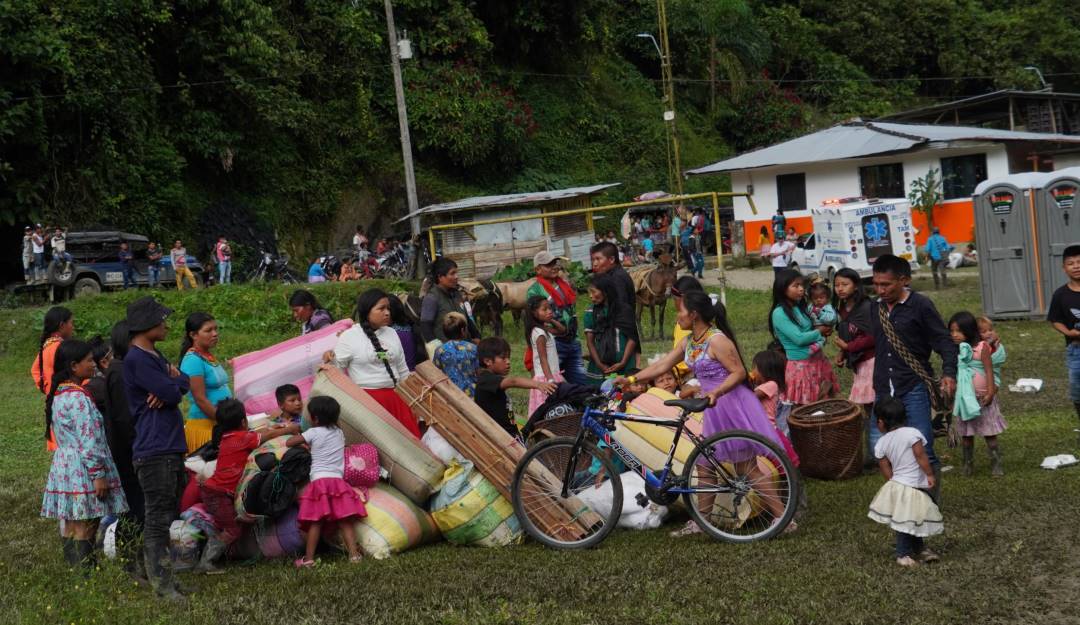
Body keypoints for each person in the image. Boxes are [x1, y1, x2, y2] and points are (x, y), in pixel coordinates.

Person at [615, 290, 791, 537]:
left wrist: (716, 392)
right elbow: (662, 365)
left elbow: (739, 372)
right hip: (712, 407)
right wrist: (632, 377)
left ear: (694, 314)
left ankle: (782, 518)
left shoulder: (717, 340)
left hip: (729, 405)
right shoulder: (689, 341)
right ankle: (702, 522)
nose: (678, 316)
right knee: (705, 466)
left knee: (746, 468)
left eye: (681, 311)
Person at [870, 254, 956, 499]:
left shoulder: (920, 305)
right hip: (884, 390)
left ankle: (929, 506)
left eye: (886, 284)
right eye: (876, 284)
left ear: (904, 280)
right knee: (882, 450)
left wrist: (949, 372)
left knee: (923, 449)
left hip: (913, 386)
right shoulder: (874, 307)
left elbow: (943, 341)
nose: (880, 289)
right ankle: (904, 501)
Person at [40, 339, 129, 573]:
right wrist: (98, 474)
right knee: (86, 523)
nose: (93, 364)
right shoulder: (79, 398)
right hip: (83, 467)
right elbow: (89, 439)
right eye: (89, 361)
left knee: (71, 521)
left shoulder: (60, 394)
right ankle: (86, 574)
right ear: (73, 366)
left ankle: (74, 573)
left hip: (66, 465)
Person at [123, 296, 190, 600]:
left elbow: (183, 382)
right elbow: (172, 390)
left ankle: (159, 575)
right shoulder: (137, 359)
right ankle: (161, 584)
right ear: (147, 324)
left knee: (168, 512)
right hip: (155, 449)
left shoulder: (156, 356)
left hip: (169, 445)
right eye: (161, 319)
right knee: (158, 518)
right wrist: (170, 385)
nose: (166, 324)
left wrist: (173, 383)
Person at [196, 399, 297, 573]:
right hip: (218, 494)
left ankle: (212, 556)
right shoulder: (243, 438)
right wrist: (290, 429)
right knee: (233, 530)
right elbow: (266, 436)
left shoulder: (227, 437)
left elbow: (260, 433)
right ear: (243, 422)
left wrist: (274, 427)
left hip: (213, 491)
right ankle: (206, 561)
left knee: (236, 522)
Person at [91, 321, 146, 581]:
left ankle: (133, 559)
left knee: (134, 508)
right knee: (135, 508)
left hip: (127, 451)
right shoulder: (120, 372)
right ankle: (130, 561)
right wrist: (140, 447)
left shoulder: (117, 370)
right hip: (129, 453)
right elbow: (126, 419)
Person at [326, 289, 419, 437]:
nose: (387, 312)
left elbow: (402, 370)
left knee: (410, 447)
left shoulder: (392, 333)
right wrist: (330, 359)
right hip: (367, 403)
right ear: (366, 311)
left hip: (397, 400)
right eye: (381, 308)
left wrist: (411, 400)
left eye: (388, 308)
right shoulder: (349, 337)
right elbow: (335, 371)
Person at [286, 396, 366, 568]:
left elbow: (289, 442)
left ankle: (308, 559)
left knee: (315, 521)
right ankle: (354, 555)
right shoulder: (339, 433)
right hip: (338, 482)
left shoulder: (313, 432)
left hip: (320, 482)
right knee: (345, 520)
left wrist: (297, 434)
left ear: (314, 418)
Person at [867, 396, 943, 567]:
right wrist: (930, 474)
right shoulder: (913, 434)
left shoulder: (881, 443)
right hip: (913, 486)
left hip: (899, 485)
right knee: (909, 520)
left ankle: (919, 549)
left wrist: (892, 482)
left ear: (880, 423)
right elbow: (921, 456)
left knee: (910, 519)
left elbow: (885, 467)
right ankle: (903, 554)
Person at [948, 312, 1006, 477]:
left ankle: (996, 462)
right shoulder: (956, 350)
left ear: (969, 330)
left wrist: (990, 392)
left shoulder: (981, 348)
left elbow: (989, 370)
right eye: (951, 331)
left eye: (958, 331)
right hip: (965, 399)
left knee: (989, 433)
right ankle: (967, 464)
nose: (954, 335)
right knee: (966, 434)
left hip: (983, 398)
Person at [769, 270, 838, 405]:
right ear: (783, 288)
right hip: (801, 366)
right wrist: (820, 331)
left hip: (817, 360)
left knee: (823, 404)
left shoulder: (799, 307)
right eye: (796, 286)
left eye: (802, 285)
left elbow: (812, 327)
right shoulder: (779, 313)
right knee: (806, 409)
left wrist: (824, 328)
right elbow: (799, 338)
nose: (801, 289)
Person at [832, 268, 878, 458]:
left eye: (845, 284)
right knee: (868, 407)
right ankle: (872, 450)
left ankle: (877, 451)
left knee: (876, 406)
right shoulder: (843, 310)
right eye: (836, 285)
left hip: (872, 362)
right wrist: (843, 353)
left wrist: (849, 347)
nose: (840, 289)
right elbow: (847, 333)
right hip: (859, 364)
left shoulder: (866, 307)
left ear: (856, 285)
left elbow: (872, 337)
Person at [526, 251, 588, 386]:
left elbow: (572, 311)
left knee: (581, 381)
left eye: (555, 263)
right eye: (548, 265)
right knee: (554, 379)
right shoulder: (534, 290)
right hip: (554, 342)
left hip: (572, 339)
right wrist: (553, 331)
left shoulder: (566, 285)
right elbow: (534, 320)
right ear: (538, 269)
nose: (554, 267)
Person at [475, 337, 555, 438]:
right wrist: (538, 385)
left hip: (509, 434)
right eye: (503, 358)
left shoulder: (490, 379)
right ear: (488, 361)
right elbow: (513, 381)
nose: (508, 362)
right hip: (502, 436)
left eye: (508, 358)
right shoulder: (486, 380)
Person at [178, 313, 232, 453]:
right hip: (206, 428)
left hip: (217, 424)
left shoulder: (207, 356)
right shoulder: (192, 360)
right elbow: (200, 399)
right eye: (208, 330)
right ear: (193, 335)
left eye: (216, 329)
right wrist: (225, 422)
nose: (215, 334)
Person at [590, 241, 640, 363]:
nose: (594, 264)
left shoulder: (616, 278)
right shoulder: (613, 275)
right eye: (593, 259)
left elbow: (620, 308)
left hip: (620, 336)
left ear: (611, 259)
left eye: (598, 259)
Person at [583, 274, 638, 384]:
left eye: (593, 291)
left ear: (605, 291)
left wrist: (623, 362)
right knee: (599, 395)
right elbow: (590, 342)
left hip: (624, 362)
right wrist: (599, 364)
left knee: (626, 391)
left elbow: (632, 337)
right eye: (589, 292)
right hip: (599, 365)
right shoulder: (590, 312)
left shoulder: (623, 310)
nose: (590, 295)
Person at [1048, 244, 1080, 431]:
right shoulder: (1060, 294)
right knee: (1077, 391)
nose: (1076, 266)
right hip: (1075, 349)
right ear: (1064, 268)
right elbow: (1055, 319)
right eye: (1071, 263)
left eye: (1079, 262)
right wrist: (1068, 333)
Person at [420, 257, 479, 344]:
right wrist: (436, 348)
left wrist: (476, 336)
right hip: (447, 351)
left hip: (466, 348)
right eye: (452, 273)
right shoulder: (432, 298)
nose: (456, 277)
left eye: (456, 273)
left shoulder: (457, 294)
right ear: (440, 277)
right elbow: (426, 327)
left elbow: (467, 319)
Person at [525, 295, 562, 416]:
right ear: (534, 313)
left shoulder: (543, 329)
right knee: (548, 411)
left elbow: (562, 330)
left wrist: (550, 319)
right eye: (544, 309)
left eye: (550, 308)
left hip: (552, 373)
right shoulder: (539, 333)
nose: (549, 311)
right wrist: (550, 380)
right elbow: (543, 358)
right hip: (546, 377)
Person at [433, 312, 479, 398]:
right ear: (462, 331)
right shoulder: (472, 348)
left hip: (451, 396)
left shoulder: (439, 350)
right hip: (473, 395)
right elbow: (479, 372)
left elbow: (436, 372)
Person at [750, 349, 787, 429]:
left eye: (755, 368)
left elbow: (751, 397)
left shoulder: (771, 385)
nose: (752, 371)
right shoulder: (766, 386)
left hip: (767, 427)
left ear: (764, 370)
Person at [388, 295, 426, 371]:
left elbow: (387, 355)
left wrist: (376, 354)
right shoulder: (407, 326)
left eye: (385, 309)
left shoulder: (397, 334)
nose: (384, 313)